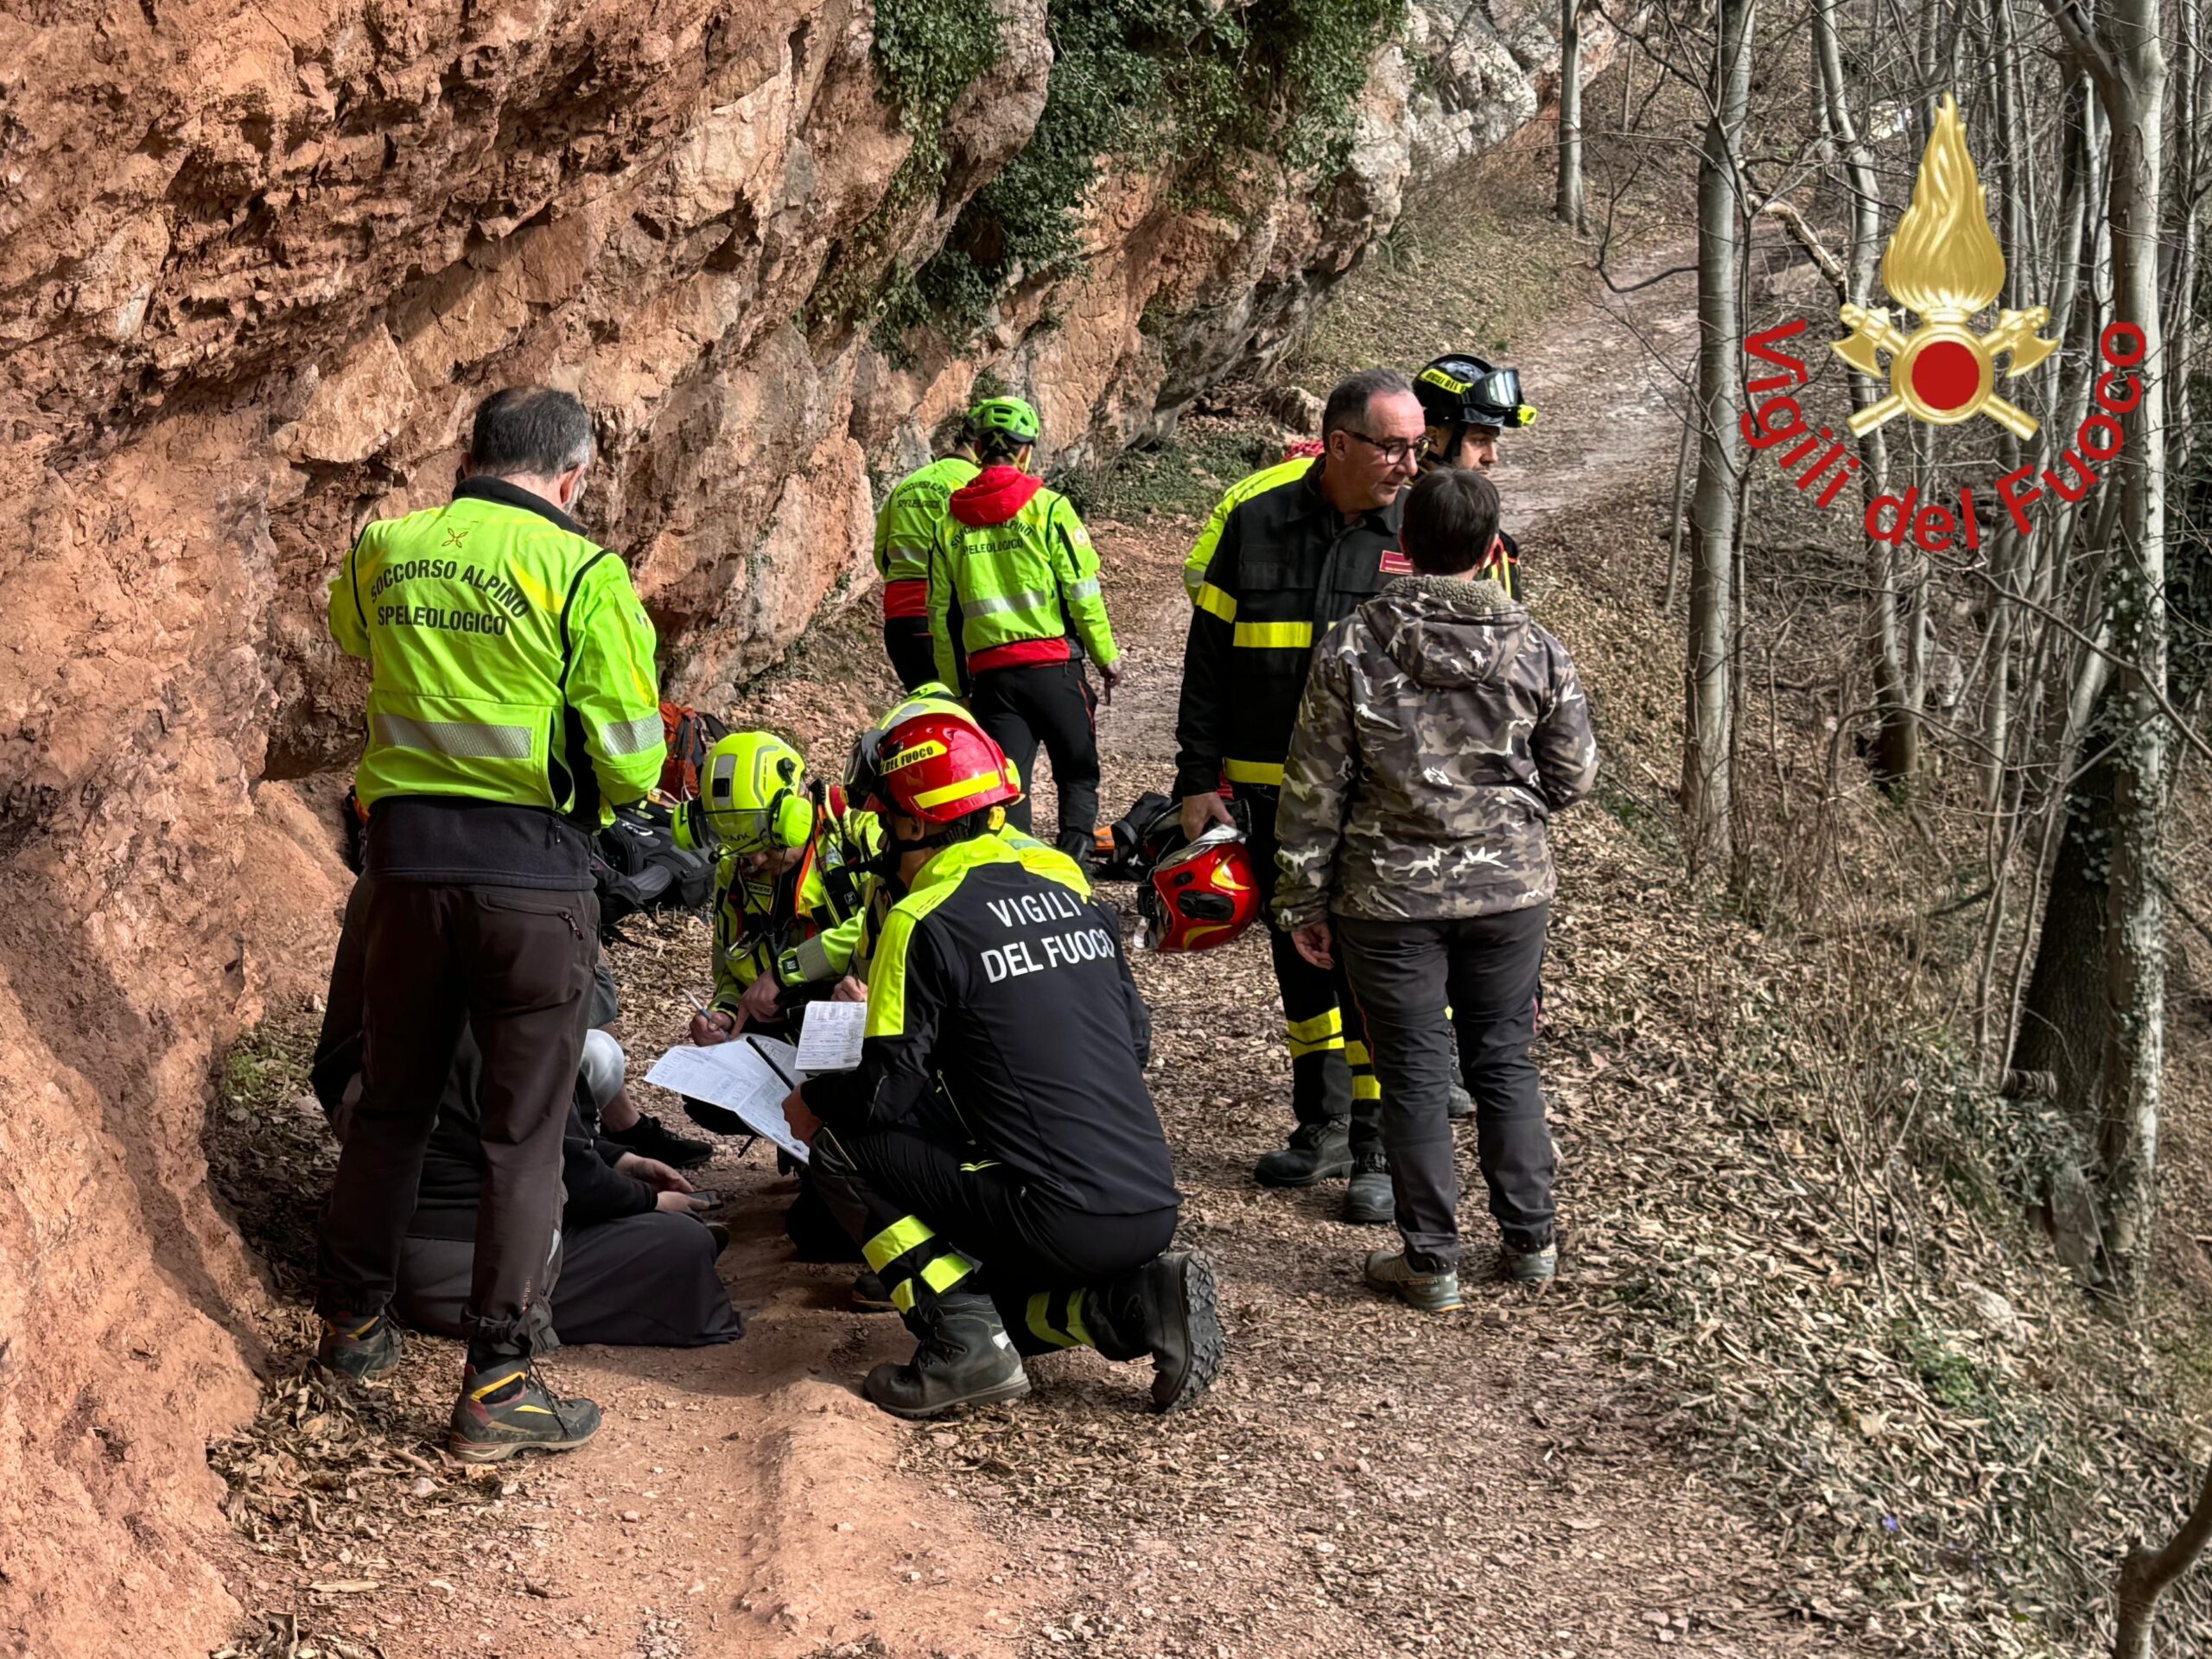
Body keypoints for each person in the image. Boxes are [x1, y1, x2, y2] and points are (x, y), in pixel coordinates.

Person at [315, 385, 664, 1462]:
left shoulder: (389, 546)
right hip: (530, 885)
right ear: (574, 475)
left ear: (470, 455)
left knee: (392, 1111)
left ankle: (355, 1327)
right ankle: (499, 1379)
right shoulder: (587, 575)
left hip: (403, 872)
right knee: (523, 1138)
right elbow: (634, 757)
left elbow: (347, 635)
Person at [782, 711, 1222, 1419]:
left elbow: (880, 1101)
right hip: (1146, 1204)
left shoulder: (921, 918)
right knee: (1008, 1313)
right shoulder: (1068, 885)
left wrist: (817, 1094)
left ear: (917, 826)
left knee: (836, 1140)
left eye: (881, 813)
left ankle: (962, 1348)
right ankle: (1136, 1303)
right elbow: (1132, 1042)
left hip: (1056, 1219)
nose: (873, 828)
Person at [1272, 468, 1598, 1306]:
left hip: (1385, 898)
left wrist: (1301, 900)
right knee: (1502, 1062)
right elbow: (1574, 775)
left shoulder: (1352, 644)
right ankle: (1531, 1240)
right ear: (1491, 549)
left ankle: (1431, 1260)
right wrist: (1509, 810)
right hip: (1509, 891)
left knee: (1412, 1073)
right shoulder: (1537, 645)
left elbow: (1314, 787)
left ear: (1404, 546)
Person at [1173, 366, 1426, 1220]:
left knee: (1375, 970)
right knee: (1301, 964)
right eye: (1392, 447)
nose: (1408, 464)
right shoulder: (1255, 524)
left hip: (1379, 803)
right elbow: (1205, 665)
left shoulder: (1418, 533)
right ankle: (1319, 1125)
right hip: (1267, 795)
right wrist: (1194, 779)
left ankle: (1378, 1148)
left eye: (1416, 446)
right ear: (1339, 444)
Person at [311, 882, 741, 1350]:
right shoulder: (508, 1034)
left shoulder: (409, 1007)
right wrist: (647, 1201)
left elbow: (556, 1142)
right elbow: (564, 1172)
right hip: (462, 1268)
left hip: (387, 1250)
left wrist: (621, 1161)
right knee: (683, 1243)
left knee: (665, 1233)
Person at [927, 396, 1123, 866]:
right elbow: (1082, 592)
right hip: (1054, 669)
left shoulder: (947, 523)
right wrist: (1105, 656)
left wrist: (956, 689)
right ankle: (1074, 872)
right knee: (1077, 771)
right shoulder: (1051, 510)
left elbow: (940, 615)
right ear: (1025, 452)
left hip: (993, 680)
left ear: (976, 449)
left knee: (1010, 788)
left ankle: (1021, 879)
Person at [677, 731, 880, 1060]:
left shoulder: (858, 831)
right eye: (745, 851)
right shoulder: (736, 862)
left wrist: (786, 971)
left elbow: (882, 926)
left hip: (861, 1008)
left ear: (796, 814)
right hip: (788, 1020)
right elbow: (731, 964)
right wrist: (723, 1011)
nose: (756, 861)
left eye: (768, 845)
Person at [1412, 353, 1537, 600]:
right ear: (1433, 438)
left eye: (1493, 442)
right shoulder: (1379, 512)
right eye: (1479, 441)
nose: (1492, 457)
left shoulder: (1498, 548)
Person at [874, 427, 981, 690]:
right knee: (968, 712)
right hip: (948, 618)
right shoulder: (977, 486)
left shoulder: (906, 485)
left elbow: (881, 554)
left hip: (900, 619)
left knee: (926, 702)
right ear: (981, 448)